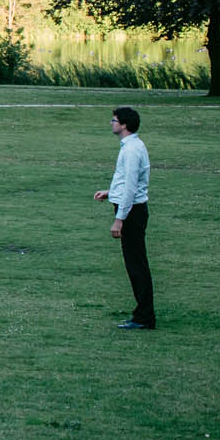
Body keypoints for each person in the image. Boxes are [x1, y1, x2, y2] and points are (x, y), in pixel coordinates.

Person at [93, 105, 154, 330]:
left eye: (114, 120)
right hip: (132, 208)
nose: (111, 123)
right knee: (136, 264)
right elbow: (130, 182)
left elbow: (130, 187)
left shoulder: (130, 150)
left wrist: (119, 219)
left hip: (132, 213)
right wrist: (110, 192)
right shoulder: (133, 146)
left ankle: (144, 316)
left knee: (136, 265)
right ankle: (143, 313)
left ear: (124, 124)